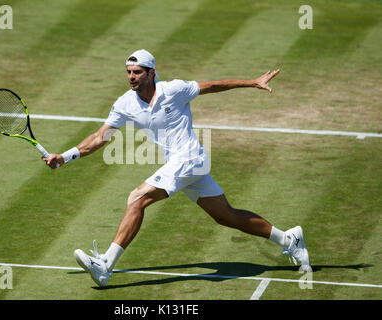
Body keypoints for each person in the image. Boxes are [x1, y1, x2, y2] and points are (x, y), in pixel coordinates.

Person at [43, 49, 310, 287]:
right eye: (128, 72)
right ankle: (288, 239)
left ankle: (105, 266)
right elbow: (100, 137)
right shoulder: (124, 103)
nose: (131, 77)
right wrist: (66, 157)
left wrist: (252, 82)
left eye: (137, 72)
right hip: (184, 165)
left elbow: (214, 85)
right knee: (226, 216)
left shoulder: (174, 89)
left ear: (151, 73)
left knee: (137, 198)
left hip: (189, 158)